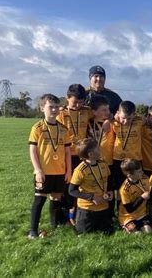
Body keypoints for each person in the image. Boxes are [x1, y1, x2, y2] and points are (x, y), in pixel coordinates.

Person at [28, 94, 71, 238]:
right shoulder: (38, 128)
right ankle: (33, 231)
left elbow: (67, 152)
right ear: (42, 108)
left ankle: (55, 225)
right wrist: (38, 169)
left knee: (56, 198)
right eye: (50, 107)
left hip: (59, 171)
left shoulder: (63, 129)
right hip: (44, 172)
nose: (54, 110)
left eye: (56, 107)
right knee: (39, 199)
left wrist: (68, 171)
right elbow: (33, 150)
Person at [57, 84, 92, 225]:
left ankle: (77, 213)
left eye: (81, 102)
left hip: (82, 155)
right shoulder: (61, 114)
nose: (77, 105)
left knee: (80, 185)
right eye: (74, 102)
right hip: (66, 155)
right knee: (67, 186)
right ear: (67, 99)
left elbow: (103, 114)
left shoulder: (87, 111)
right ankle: (65, 215)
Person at [69, 138, 113, 235]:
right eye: (97, 148)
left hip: (103, 207)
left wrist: (110, 191)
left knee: (107, 232)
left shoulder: (103, 164)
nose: (100, 149)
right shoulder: (80, 170)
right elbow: (72, 191)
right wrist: (91, 197)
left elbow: (109, 179)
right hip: (87, 209)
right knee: (84, 234)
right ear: (90, 154)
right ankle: (75, 218)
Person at [111, 101, 144, 188]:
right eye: (123, 118)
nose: (125, 121)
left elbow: (145, 119)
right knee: (120, 184)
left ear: (134, 115)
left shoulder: (139, 122)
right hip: (118, 158)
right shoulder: (114, 122)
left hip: (135, 158)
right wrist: (111, 119)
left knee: (136, 183)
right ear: (118, 113)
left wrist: (138, 116)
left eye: (129, 118)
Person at [118, 159, 152, 234]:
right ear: (130, 175)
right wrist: (142, 198)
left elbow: (150, 196)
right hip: (128, 216)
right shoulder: (124, 189)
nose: (142, 172)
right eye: (139, 172)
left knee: (148, 231)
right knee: (137, 234)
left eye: (141, 170)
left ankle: (135, 226)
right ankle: (124, 226)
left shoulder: (145, 178)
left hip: (141, 214)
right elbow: (129, 209)